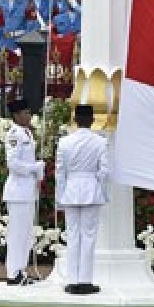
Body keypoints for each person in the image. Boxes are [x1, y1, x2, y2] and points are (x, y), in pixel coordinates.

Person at [54, 104, 108, 295]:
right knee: (88, 236)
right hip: (91, 188)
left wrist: (59, 197)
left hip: (71, 189)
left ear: (75, 120)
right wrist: (102, 192)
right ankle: (85, 280)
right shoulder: (100, 142)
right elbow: (104, 171)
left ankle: (73, 280)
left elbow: (60, 173)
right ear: (92, 120)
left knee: (73, 235)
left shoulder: (64, 142)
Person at [2, 99, 44, 286]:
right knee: (17, 234)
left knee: (26, 234)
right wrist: (34, 168)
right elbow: (13, 164)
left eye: (29, 112)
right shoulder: (14, 135)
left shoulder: (27, 133)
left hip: (27, 191)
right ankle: (13, 273)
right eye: (26, 113)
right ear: (17, 115)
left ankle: (21, 270)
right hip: (18, 191)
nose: (29, 116)